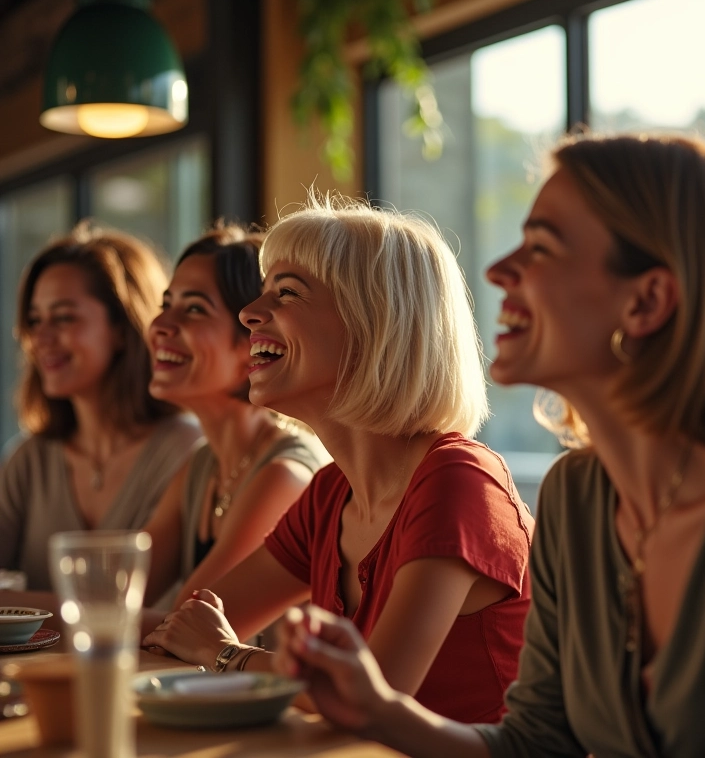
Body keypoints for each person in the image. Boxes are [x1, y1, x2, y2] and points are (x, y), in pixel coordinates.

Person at [270, 133, 705, 758]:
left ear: (645, 302)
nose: (499, 271)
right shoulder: (578, 496)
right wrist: (377, 710)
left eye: (542, 249)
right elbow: (536, 743)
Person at [142, 196, 534, 724]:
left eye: (286, 293)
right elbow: (184, 630)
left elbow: (372, 699)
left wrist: (226, 655)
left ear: (375, 322)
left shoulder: (459, 482)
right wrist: (209, 646)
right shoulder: (331, 493)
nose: (250, 314)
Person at [0, 223, 202, 593]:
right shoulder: (27, 461)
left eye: (63, 317)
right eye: (34, 320)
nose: (39, 339)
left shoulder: (187, 451)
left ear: (123, 328)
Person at [140, 225, 329, 615]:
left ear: (254, 339)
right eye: (165, 304)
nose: (159, 326)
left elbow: (182, 628)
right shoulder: (202, 465)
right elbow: (116, 599)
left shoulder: (285, 472)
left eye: (193, 309)